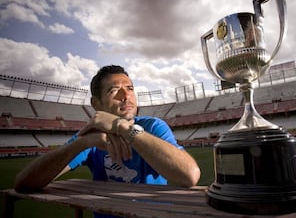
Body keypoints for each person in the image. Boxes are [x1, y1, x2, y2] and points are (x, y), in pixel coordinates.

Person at [15, 65, 201, 218]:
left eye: (129, 89)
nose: (125, 95)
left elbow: (189, 176)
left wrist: (124, 128)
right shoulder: (91, 135)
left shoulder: (153, 126)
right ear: (96, 104)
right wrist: (81, 143)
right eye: (114, 90)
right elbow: (24, 183)